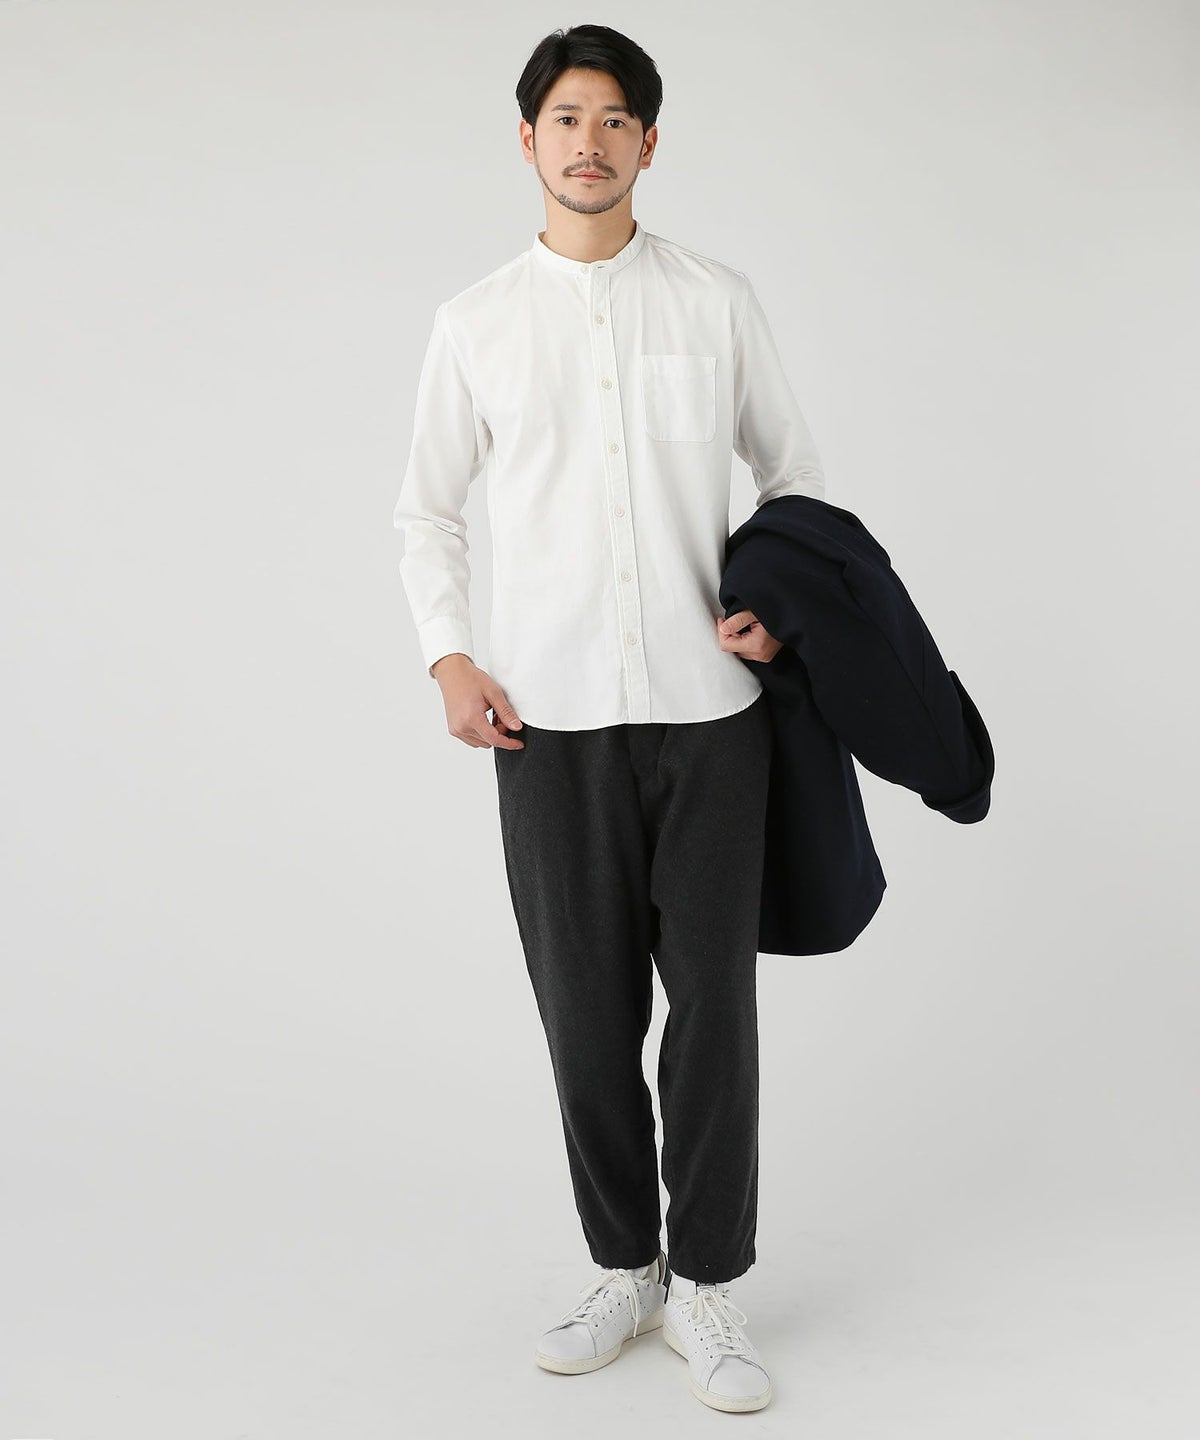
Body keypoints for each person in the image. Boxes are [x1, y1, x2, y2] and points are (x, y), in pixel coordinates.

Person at [392, 23, 827, 1415]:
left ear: (650, 142)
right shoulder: (475, 323)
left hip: (712, 717)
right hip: (548, 724)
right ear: (529, 140)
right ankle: (623, 1266)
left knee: (714, 1012)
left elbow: (795, 478)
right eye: (567, 119)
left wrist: (779, 606)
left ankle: (708, 1284)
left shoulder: (715, 302)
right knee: (585, 1017)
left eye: (616, 119)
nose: (591, 142)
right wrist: (450, 658)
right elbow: (426, 511)